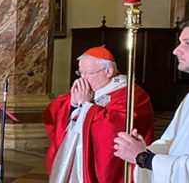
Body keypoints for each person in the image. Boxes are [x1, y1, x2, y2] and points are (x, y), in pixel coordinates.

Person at [114, 14, 189, 182]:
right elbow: (171, 143)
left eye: (188, 44)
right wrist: (142, 151)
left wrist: (144, 159)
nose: (176, 50)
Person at [43, 46, 155, 183]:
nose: (82, 79)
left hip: (109, 166)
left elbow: (114, 126)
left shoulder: (132, 94)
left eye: (89, 73)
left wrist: (86, 106)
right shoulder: (88, 89)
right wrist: (73, 104)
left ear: (109, 71)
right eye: (80, 72)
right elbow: (57, 109)